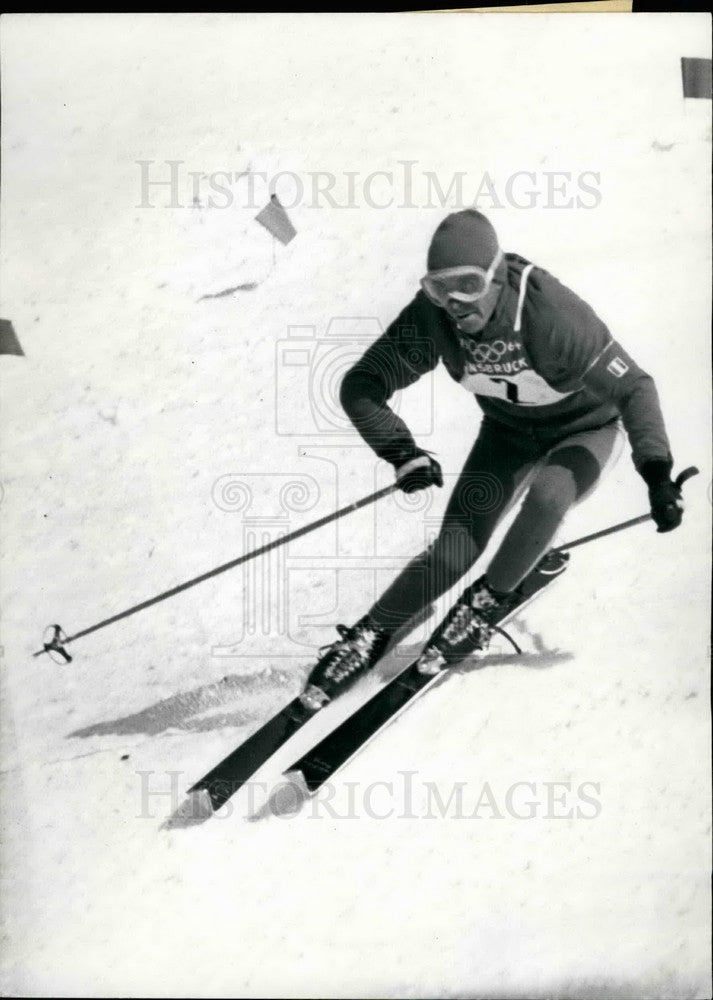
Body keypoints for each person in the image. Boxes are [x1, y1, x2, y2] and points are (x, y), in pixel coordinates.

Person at [299, 209, 684, 711]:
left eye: (468, 284)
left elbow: (635, 386)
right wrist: (401, 452)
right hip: (508, 434)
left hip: (584, 429)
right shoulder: (434, 319)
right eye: (439, 289)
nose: (454, 303)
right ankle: (371, 634)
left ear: (497, 277)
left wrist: (656, 472)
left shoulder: (550, 316)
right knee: (453, 553)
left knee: (549, 495)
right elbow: (362, 387)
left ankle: (485, 604)